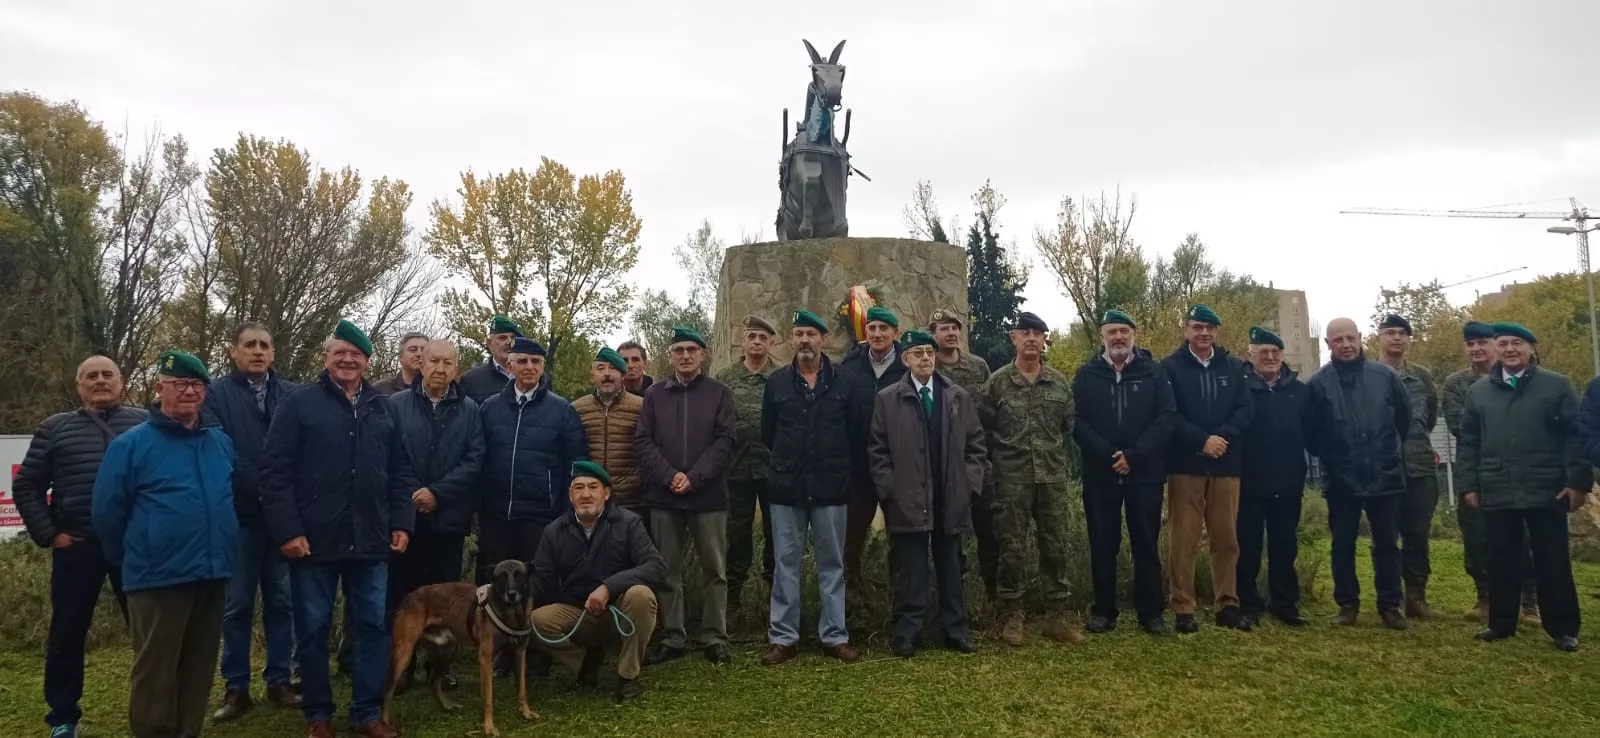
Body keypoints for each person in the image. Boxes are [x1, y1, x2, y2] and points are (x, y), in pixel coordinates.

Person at [260, 320, 419, 738]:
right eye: (340, 352)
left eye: (357, 354)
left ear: (367, 361)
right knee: (313, 630)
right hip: (313, 541)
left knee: (372, 627)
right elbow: (274, 472)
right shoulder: (299, 404)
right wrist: (288, 530)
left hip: (371, 540)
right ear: (326, 358)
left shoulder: (384, 408)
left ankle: (366, 712)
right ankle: (318, 714)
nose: (348, 359)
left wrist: (402, 520)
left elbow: (401, 472)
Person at [92, 350, 237, 738]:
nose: (190, 392)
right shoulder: (132, 445)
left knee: (198, 667)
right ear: (160, 388)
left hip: (212, 573)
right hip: (157, 578)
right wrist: (135, 558)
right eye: (181, 384)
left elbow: (230, 498)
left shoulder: (219, 442)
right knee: (156, 672)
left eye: (197, 385)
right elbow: (107, 513)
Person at [14, 355, 146, 738]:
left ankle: (155, 707)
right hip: (77, 546)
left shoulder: (144, 424)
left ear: (122, 382)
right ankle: (63, 717)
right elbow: (27, 486)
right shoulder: (54, 428)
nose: (100, 381)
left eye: (108, 374)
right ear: (79, 386)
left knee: (148, 633)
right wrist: (50, 534)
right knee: (68, 633)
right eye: (92, 376)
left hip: (133, 549)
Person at [1468, 323, 1587, 652]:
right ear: (1496, 349)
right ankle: (1501, 623)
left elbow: (1575, 438)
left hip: (1546, 486)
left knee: (1553, 560)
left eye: (1516, 343)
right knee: (1502, 558)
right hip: (1496, 485)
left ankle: (1563, 628)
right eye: (1503, 343)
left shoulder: (1557, 386)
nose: (1509, 349)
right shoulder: (1478, 392)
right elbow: (1469, 442)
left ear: (1531, 348)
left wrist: (1577, 482)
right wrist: (1468, 485)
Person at [207, 323, 303, 722]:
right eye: (250, 345)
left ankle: (280, 680)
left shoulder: (294, 395)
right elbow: (219, 449)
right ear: (234, 352)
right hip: (241, 516)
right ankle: (236, 687)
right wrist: (266, 487)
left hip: (282, 519)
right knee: (237, 605)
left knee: (282, 601)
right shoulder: (216, 394)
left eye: (265, 344)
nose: (258, 351)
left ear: (274, 353)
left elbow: (302, 450)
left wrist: (281, 498)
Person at [869, 330, 986, 657]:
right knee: (911, 568)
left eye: (929, 353)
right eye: (918, 353)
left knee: (951, 565)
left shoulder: (957, 397)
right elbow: (877, 451)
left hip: (949, 496)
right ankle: (908, 632)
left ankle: (956, 631)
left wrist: (969, 484)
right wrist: (889, 491)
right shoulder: (888, 398)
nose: (925, 358)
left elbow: (976, 445)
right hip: (908, 498)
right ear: (905, 358)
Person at [476, 335, 586, 676]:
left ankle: (536, 654)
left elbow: (575, 461)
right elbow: (477, 459)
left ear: (542, 368)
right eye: (522, 361)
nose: (529, 368)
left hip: (541, 514)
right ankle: (499, 653)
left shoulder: (561, 409)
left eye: (535, 362)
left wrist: (565, 508)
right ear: (510, 365)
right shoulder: (490, 408)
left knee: (536, 584)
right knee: (494, 584)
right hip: (496, 513)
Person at [760, 309, 862, 665]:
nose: (805, 340)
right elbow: (768, 434)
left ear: (823, 340)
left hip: (831, 487)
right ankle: (784, 638)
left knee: (832, 564)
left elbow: (854, 433)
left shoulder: (844, 382)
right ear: (792, 339)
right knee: (785, 563)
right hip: (787, 488)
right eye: (799, 333)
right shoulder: (777, 384)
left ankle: (834, 636)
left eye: (811, 334)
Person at [976, 311, 1083, 646]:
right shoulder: (997, 383)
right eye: (1026, 333)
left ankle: (1057, 615)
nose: (1032, 339)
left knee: (1055, 546)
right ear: (1014, 338)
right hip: (1011, 480)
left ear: (1044, 339)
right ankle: (1011, 615)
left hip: (1051, 478)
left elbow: (1068, 428)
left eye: (1038, 333)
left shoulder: (1058, 383)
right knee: (1012, 547)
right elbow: (982, 428)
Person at [385, 339, 484, 690]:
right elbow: (392, 455)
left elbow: (474, 460)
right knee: (404, 595)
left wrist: (438, 493)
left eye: (448, 362)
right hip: (407, 520)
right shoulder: (395, 405)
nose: (440, 369)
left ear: (456, 368)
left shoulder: (471, 409)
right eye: (434, 361)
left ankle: (441, 666)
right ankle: (403, 664)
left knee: (447, 599)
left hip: (448, 519)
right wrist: (416, 493)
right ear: (420, 364)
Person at [636, 326, 737, 666]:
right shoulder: (655, 396)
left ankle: (714, 635)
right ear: (670, 356)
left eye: (691, 349)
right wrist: (669, 477)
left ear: (703, 354)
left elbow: (725, 441)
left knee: (715, 570)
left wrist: (694, 478)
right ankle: (673, 636)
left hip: (707, 497)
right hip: (665, 497)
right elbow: (644, 442)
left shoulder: (719, 393)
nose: (685, 355)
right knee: (667, 571)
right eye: (678, 350)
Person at [1072, 310, 1176, 636]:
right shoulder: (1086, 375)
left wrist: (1134, 455)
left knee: (1146, 543)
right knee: (1103, 544)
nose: (1118, 337)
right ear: (1102, 336)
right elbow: (1077, 421)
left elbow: (1166, 417)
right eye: (1112, 332)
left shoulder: (1154, 373)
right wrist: (1108, 455)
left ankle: (1150, 612)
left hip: (1144, 473)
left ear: (1135, 334)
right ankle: (1104, 610)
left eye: (1124, 331)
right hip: (1100, 474)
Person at [1304, 317, 1411, 630]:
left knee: (1388, 544)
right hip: (1341, 478)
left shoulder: (1385, 376)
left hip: (1385, 474)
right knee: (1342, 544)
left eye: (1350, 338)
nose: (1346, 345)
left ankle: (1390, 605)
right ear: (1328, 344)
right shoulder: (1318, 384)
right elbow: (1311, 433)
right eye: (1338, 340)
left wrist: (1386, 453)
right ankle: (1347, 604)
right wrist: (1335, 456)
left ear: (1361, 338)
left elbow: (1403, 420)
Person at [528, 461, 665, 703]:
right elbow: (540, 577)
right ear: (570, 496)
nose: (586, 494)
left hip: (619, 613)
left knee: (642, 596)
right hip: (578, 614)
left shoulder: (629, 523)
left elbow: (656, 567)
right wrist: (511, 594)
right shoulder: (554, 531)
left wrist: (608, 587)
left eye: (593, 487)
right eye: (578, 488)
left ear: (607, 493)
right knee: (535, 621)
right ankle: (585, 665)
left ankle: (628, 676)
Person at [1161, 304, 1252, 633]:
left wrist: (1220, 439)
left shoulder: (1234, 366)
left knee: (1226, 539)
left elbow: (1245, 410)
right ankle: (1183, 607)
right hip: (1186, 465)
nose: (1204, 332)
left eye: (1210, 327)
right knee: (1183, 541)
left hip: (1226, 464)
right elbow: (1168, 414)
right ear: (1186, 330)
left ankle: (1227, 604)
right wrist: (1201, 441)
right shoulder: (1170, 367)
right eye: (1197, 326)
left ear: (1217, 332)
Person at [1443, 321, 1537, 622]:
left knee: (1525, 537)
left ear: (1496, 345)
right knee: (1477, 536)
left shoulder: (1524, 378)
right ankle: (1485, 597)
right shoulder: (1457, 384)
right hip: (1476, 470)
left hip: (1520, 472)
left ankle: (1528, 602)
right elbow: (1461, 428)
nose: (1477, 349)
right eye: (1470, 344)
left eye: (1483, 342)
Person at [1236, 327, 1311, 629]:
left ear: (1282, 356)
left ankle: (1285, 604)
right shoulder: (1239, 389)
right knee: (1248, 548)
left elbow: (1313, 433)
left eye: (1275, 353)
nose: (1269, 357)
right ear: (1250, 355)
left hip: (1288, 482)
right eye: (1262, 352)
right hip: (1249, 483)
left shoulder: (1299, 391)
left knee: (1284, 547)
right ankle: (1248, 604)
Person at [1374, 314, 1443, 619]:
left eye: (1402, 333)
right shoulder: (1369, 374)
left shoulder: (1423, 377)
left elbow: (1428, 417)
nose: (1397, 338)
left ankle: (1416, 596)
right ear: (1379, 338)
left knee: (1417, 534)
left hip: (1419, 466)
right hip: (1382, 468)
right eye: (1390, 332)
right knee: (1385, 537)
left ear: (1410, 339)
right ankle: (1390, 599)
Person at [929, 308, 999, 602]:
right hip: (943, 464)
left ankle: (994, 595)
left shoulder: (978, 366)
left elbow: (986, 411)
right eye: (944, 328)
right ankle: (955, 597)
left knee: (990, 527)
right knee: (949, 530)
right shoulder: (929, 367)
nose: (952, 333)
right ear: (934, 334)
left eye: (955, 328)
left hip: (977, 460)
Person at [714, 315, 779, 614]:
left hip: (773, 470)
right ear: (744, 340)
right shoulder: (725, 380)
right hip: (735, 470)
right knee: (735, 535)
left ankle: (774, 600)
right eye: (752, 336)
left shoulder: (781, 378)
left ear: (771, 343)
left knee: (775, 534)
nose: (756, 342)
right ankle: (732, 604)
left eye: (762, 338)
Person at [839, 306, 906, 586]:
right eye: (872, 329)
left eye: (883, 329)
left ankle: (899, 601)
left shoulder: (907, 365)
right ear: (865, 332)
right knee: (851, 538)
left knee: (901, 538)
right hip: (858, 469)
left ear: (895, 333)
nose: (877, 334)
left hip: (898, 468)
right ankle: (852, 601)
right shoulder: (850, 365)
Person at [571, 347, 646, 518]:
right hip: (590, 500)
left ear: (623, 375)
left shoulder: (641, 407)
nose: (607, 374)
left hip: (632, 500)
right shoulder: (577, 408)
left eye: (613, 369)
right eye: (600, 368)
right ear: (592, 376)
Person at [460, 316, 523, 404]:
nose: (509, 342)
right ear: (490, 344)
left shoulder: (534, 377)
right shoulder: (471, 380)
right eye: (502, 338)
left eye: (513, 338)